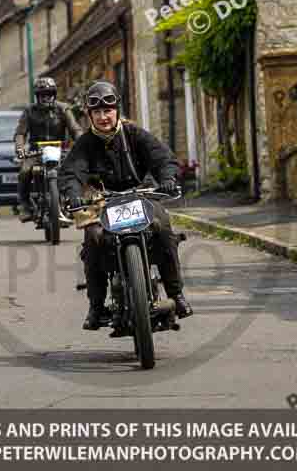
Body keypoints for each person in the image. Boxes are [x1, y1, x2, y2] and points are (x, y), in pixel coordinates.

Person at [58, 80, 193, 330]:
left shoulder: (135, 134)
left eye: (107, 110)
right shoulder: (85, 143)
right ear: (89, 116)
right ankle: (96, 307)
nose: (103, 117)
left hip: (141, 195)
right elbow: (70, 173)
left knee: (163, 227)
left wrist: (166, 179)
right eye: (96, 112)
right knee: (94, 238)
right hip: (101, 202)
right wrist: (73, 194)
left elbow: (163, 158)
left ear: (116, 110)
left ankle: (176, 295)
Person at [14, 77, 82, 223]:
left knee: (74, 170)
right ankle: (24, 206)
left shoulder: (63, 109)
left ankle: (74, 202)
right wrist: (20, 148)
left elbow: (75, 129)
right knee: (25, 171)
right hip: (35, 153)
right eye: (42, 94)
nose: (45, 97)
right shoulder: (29, 111)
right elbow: (20, 133)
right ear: (37, 96)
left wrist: (81, 142)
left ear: (54, 94)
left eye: (49, 93)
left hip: (60, 152)